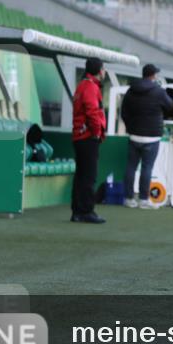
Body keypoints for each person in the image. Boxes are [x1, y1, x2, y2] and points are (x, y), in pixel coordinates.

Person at [121, 63, 173, 209]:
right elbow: (170, 105)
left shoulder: (131, 90)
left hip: (134, 136)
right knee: (147, 168)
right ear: (153, 75)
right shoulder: (158, 91)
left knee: (131, 167)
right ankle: (144, 200)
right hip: (152, 136)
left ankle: (128, 198)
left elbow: (124, 112)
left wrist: (130, 127)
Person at [71, 57, 107, 223]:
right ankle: (86, 211)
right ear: (99, 71)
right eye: (103, 68)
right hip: (87, 137)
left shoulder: (83, 85)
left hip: (80, 136)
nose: (104, 71)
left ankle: (78, 211)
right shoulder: (90, 87)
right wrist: (96, 132)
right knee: (88, 176)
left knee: (81, 176)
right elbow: (92, 112)